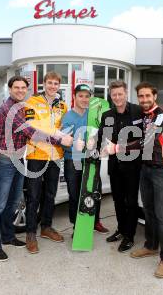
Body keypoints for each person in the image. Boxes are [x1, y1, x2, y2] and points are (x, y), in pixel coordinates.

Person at [127, 81, 163, 279]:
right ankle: (151, 246)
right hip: (146, 168)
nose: (144, 100)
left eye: (148, 96)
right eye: (141, 96)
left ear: (154, 96)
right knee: (148, 210)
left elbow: (147, 140)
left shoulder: (161, 115)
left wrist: (118, 148)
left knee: (162, 215)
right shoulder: (144, 116)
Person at [24, 71, 73, 254]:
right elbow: (31, 126)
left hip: (54, 156)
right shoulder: (32, 102)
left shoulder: (63, 106)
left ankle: (46, 227)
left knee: (50, 194)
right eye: (49, 83)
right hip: (36, 155)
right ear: (44, 84)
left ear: (59, 86)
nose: (52, 86)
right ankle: (30, 233)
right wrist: (56, 136)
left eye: (55, 83)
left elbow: (67, 129)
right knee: (34, 196)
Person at [0, 76, 33, 261]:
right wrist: (60, 138)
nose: (20, 90)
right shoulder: (8, 109)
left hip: (18, 159)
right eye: (17, 87)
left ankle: (8, 237)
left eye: (23, 87)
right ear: (10, 89)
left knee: (13, 203)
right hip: (4, 160)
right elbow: (31, 132)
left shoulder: (21, 107)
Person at [97, 80, 143, 252]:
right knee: (117, 200)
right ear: (110, 95)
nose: (117, 97)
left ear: (126, 93)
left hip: (133, 166)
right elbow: (102, 137)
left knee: (131, 202)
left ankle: (130, 236)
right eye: (114, 94)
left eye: (120, 94)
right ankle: (121, 229)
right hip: (115, 166)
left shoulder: (139, 111)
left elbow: (145, 139)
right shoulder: (107, 115)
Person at [61, 84, 109, 235]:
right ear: (74, 97)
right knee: (75, 194)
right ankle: (77, 226)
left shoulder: (94, 114)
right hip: (73, 160)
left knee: (95, 191)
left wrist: (102, 145)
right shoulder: (68, 116)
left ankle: (95, 222)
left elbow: (102, 134)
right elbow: (63, 140)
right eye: (80, 96)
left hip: (92, 159)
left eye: (87, 96)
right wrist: (75, 143)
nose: (84, 99)